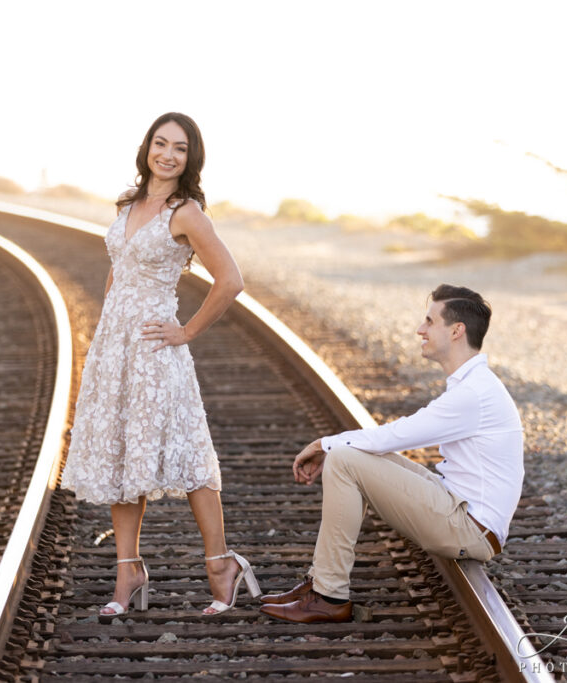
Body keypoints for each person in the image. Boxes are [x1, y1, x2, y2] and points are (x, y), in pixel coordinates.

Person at [60, 112, 260, 617]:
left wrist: (186, 331)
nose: (167, 154)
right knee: (124, 455)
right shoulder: (129, 203)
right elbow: (117, 272)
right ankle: (128, 571)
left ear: (191, 159)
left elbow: (230, 280)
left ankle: (221, 564)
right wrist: (104, 337)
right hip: (116, 347)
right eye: (160, 143)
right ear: (147, 147)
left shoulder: (186, 212)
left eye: (179, 148)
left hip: (155, 347)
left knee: (189, 453)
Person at [260, 284, 523, 623]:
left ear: (457, 331)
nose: (420, 330)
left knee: (343, 459)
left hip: (469, 528)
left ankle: (328, 594)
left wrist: (323, 444)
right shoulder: (475, 385)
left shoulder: (474, 393)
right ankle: (320, 582)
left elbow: (399, 435)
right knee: (355, 456)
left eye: (430, 321)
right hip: (461, 509)